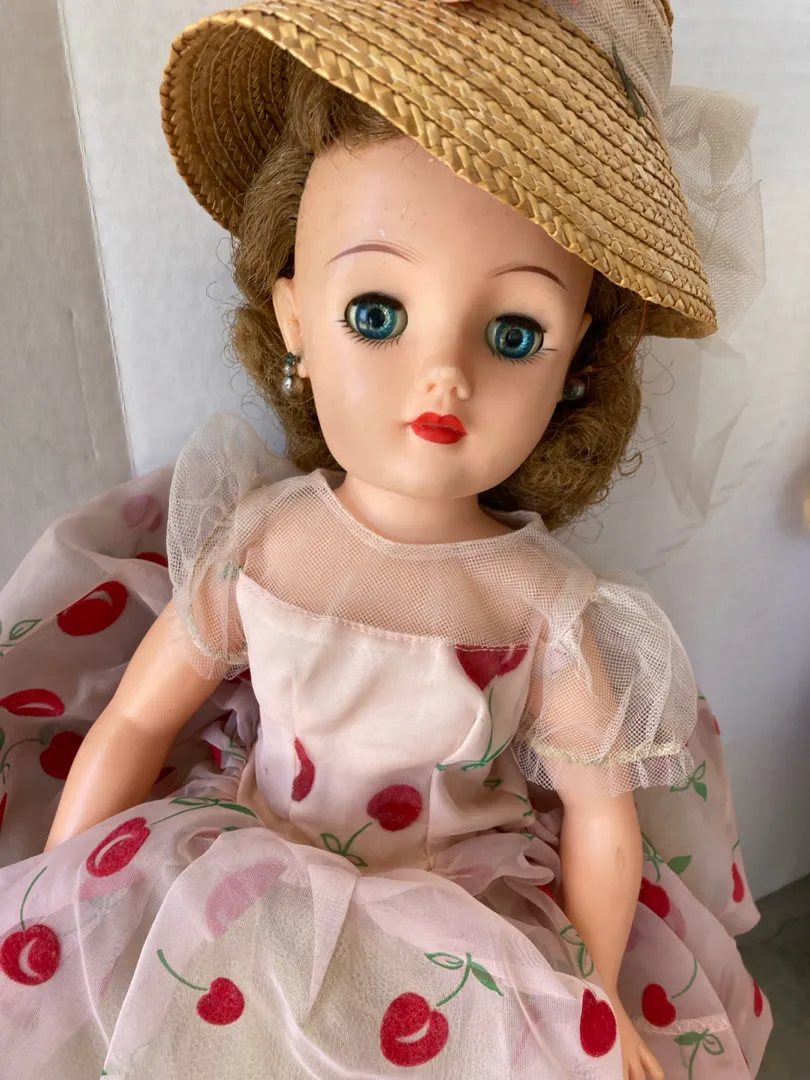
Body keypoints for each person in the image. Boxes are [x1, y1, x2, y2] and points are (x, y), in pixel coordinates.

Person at [0, 2, 771, 1077]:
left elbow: (605, 823)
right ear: (297, 322)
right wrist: (61, 895)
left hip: (464, 937)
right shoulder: (262, 544)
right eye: (376, 313)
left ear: (578, 366)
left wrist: (591, 993)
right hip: (244, 894)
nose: (444, 374)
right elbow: (135, 719)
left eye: (514, 333)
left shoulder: (544, 606)